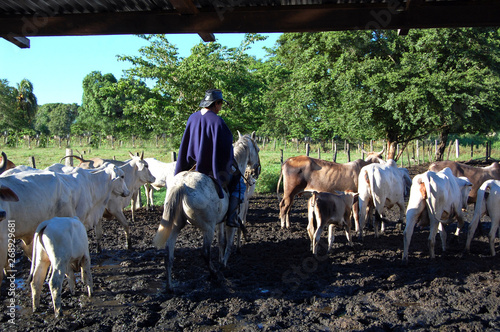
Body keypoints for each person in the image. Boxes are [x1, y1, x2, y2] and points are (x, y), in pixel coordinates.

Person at [174, 89, 246, 229]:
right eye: (221, 104)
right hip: (209, 168)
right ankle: (231, 217)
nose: (221, 108)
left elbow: (186, 142)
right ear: (216, 104)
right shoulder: (218, 121)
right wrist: (230, 162)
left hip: (190, 165)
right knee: (240, 185)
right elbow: (226, 148)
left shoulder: (192, 118)